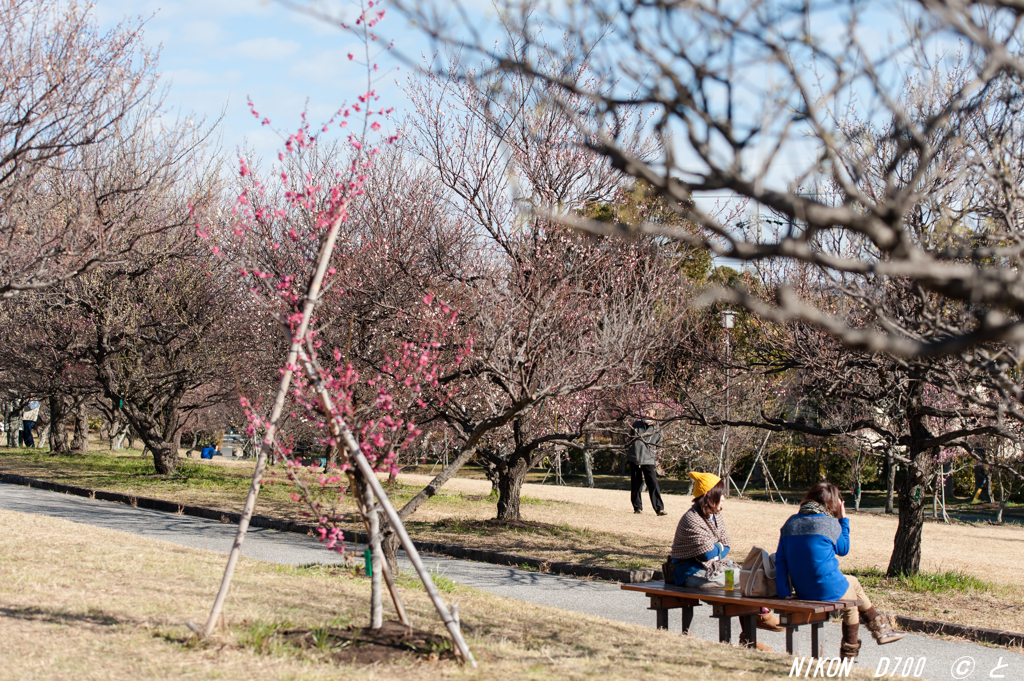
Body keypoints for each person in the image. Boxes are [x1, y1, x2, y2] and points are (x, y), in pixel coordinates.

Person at [775, 482, 906, 661]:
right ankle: (859, 646)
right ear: (832, 503)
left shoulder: (790, 523)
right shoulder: (828, 523)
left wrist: (784, 592)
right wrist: (843, 520)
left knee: (852, 583)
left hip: (803, 589)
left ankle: (882, 631)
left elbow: (780, 561)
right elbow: (843, 549)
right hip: (827, 587)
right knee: (852, 600)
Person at [670, 472, 784, 633]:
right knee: (746, 580)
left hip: (711, 569)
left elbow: (727, 544)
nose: (724, 497)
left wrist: (717, 548)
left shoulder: (716, 516)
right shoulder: (692, 519)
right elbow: (707, 554)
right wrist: (718, 549)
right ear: (708, 495)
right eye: (721, 493)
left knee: (745, 580)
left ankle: (750, 634)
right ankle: (761, 615)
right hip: (692, 574)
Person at [626, 408, 665, 515]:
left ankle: (659, 508)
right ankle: (637, 508)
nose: (646, 415)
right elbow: (630, 439)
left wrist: (652, 454)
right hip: (634, 458)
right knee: (635, 484)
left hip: (649, 459)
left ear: (654, 416)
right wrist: (633, 454)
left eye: (649, 413)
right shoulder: (636, 424)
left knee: (653, 483)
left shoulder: (658, 429)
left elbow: (659, 444)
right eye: (646, 413)